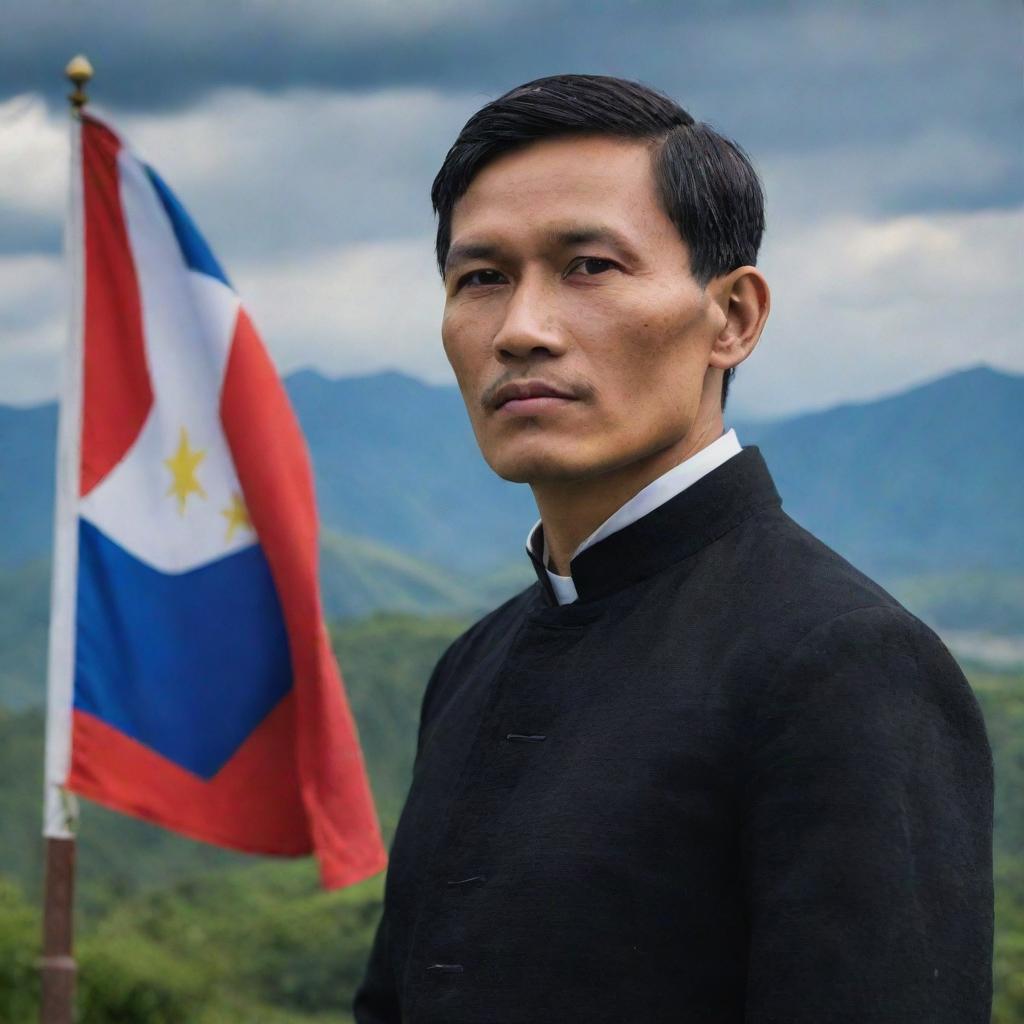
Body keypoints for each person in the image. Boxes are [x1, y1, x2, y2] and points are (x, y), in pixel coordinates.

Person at [353, 74, 993, 1023]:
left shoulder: (841, 662)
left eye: (590, 267)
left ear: (731, 317)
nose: (522, 330)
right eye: (481, 278)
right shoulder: (471, 666)